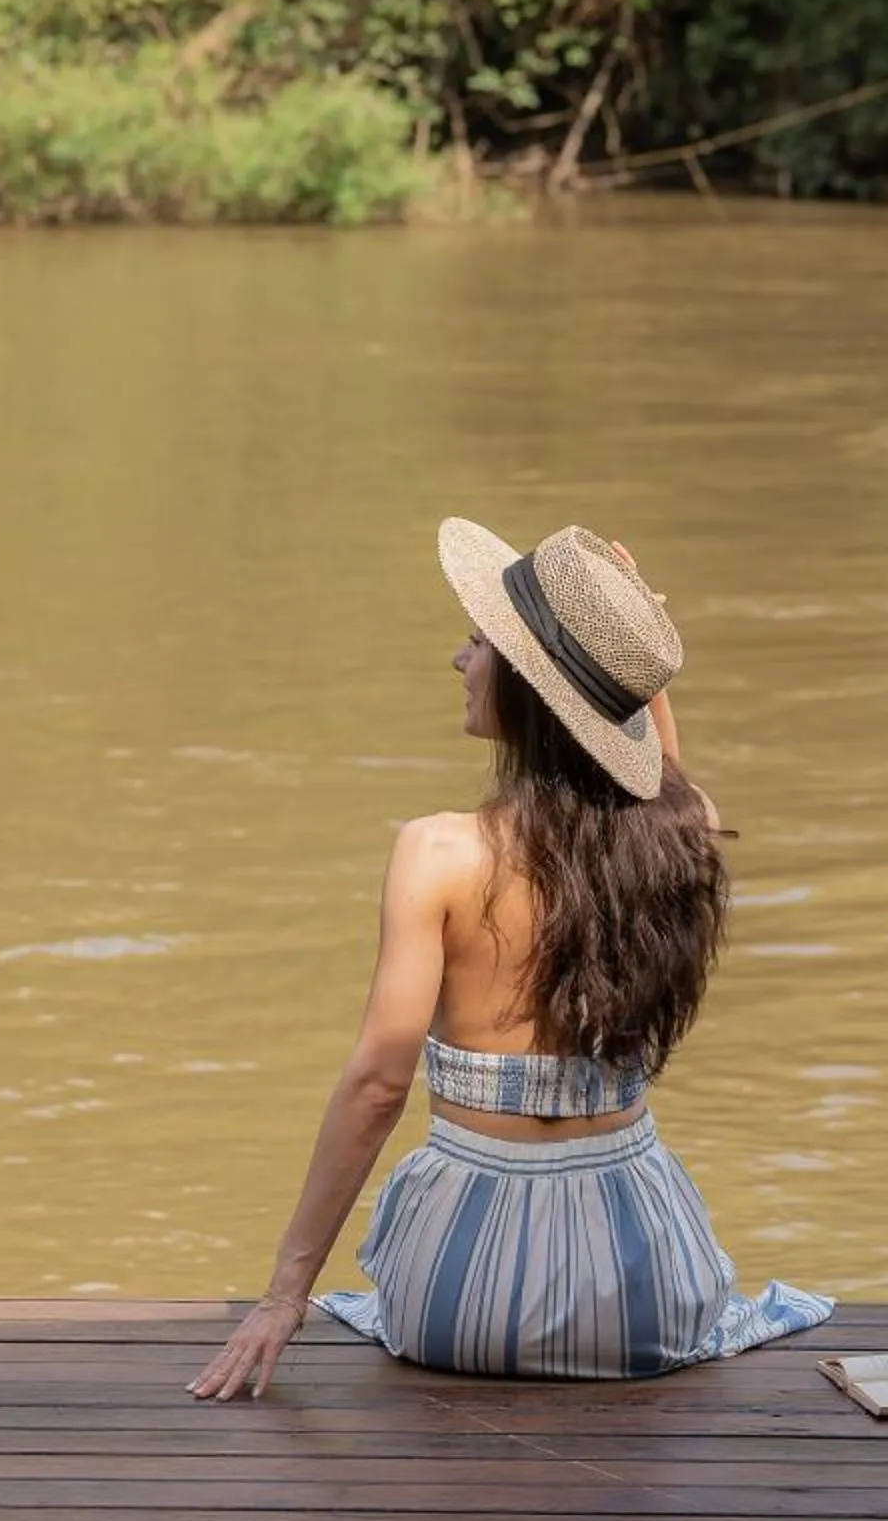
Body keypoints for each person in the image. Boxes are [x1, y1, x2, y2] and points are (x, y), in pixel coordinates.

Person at [189, 520, 832, 1400]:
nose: (460, 660)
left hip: (460, 1307)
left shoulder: (437, 854)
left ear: (531, 687)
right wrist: (627, 659)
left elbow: (379, 1087)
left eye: (481, 642)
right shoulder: (676, 839)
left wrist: (283, 1295)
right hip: (642, 1303)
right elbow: (662, 784)